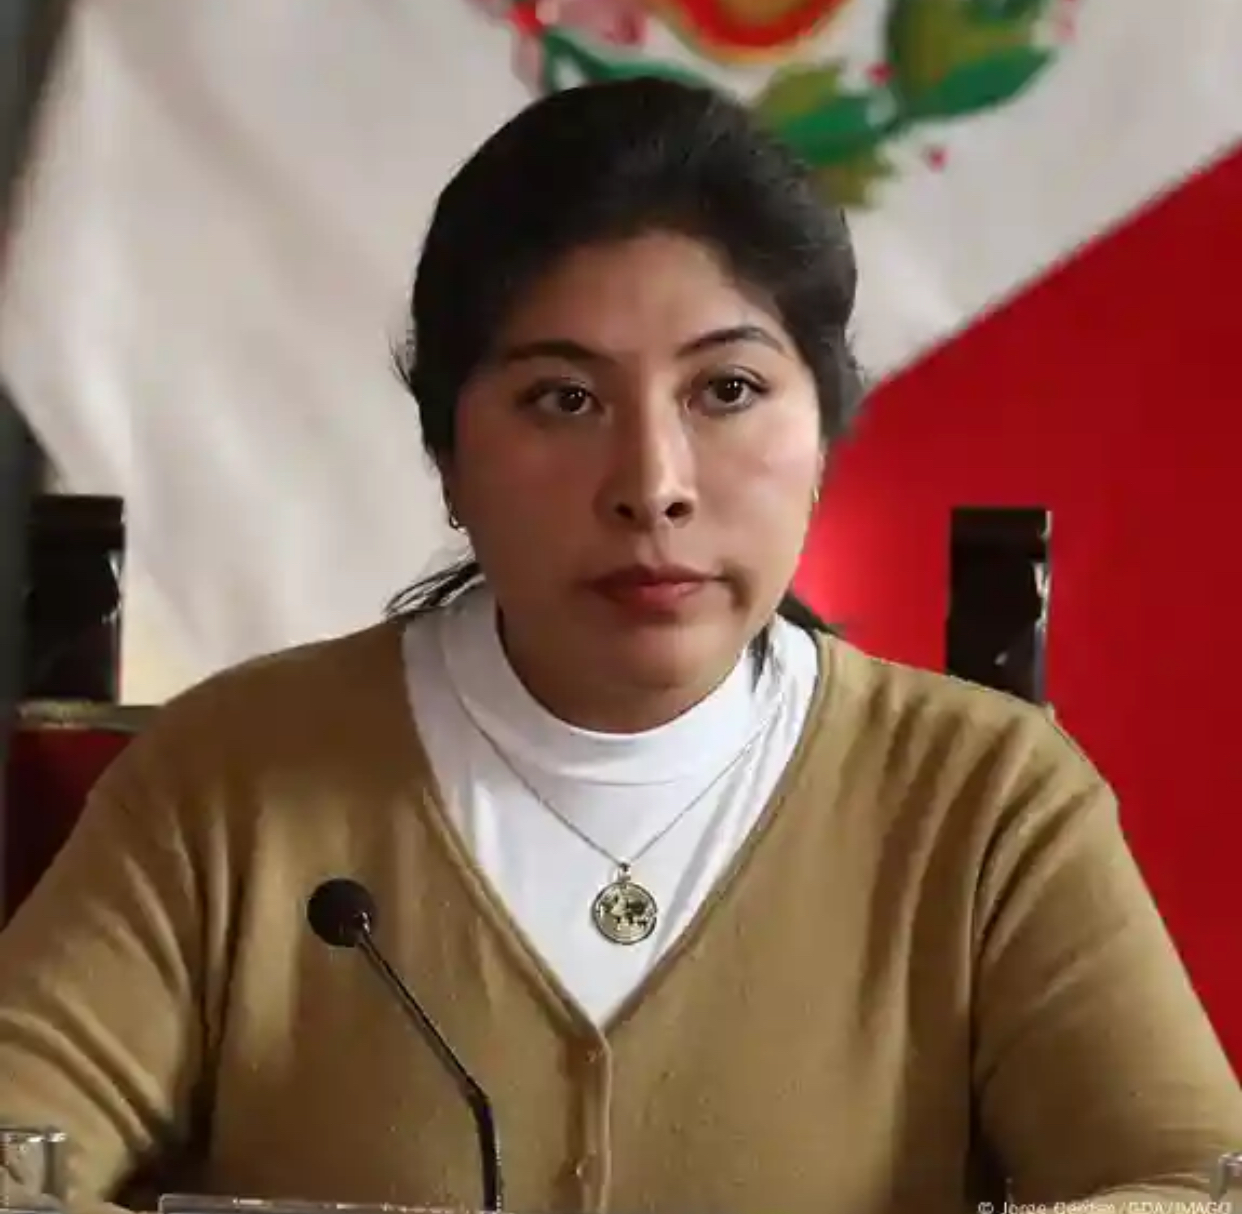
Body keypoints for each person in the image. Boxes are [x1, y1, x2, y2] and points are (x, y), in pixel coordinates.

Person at [0, 76, 1239, 1214]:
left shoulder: (983, 797)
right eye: (565, 398)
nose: (652, 483)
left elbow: (1197, 1181)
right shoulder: (234, 778)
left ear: (821, 435)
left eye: (727, 390)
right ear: (449, 458)